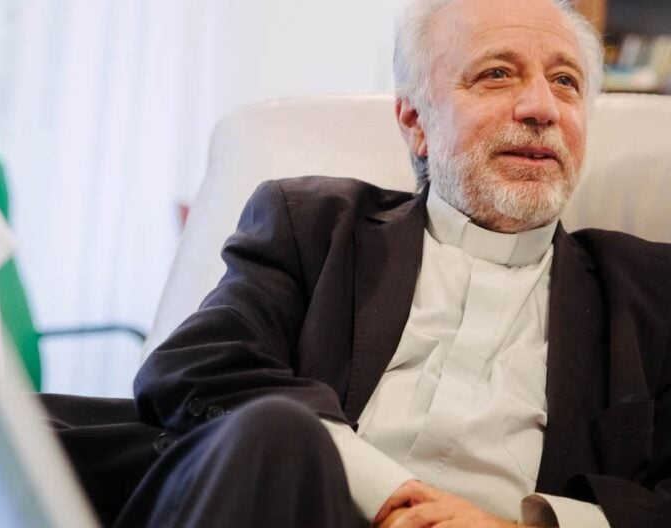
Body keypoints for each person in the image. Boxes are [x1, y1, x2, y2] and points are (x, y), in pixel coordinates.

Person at [47, 0, 671, 526]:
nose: (541, 107)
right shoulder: (314, 225)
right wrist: (389, 494)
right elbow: (198, 368)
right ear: (415, 122)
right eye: (497, 74)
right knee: (271, 431)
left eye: (565, 82)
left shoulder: (648, 291)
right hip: (297, 508)